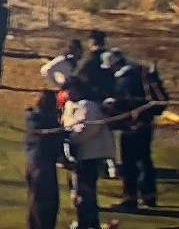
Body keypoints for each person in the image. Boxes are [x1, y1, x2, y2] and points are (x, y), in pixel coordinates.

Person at [108, 50, 161, 210]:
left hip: (131, 127)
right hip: (146, 125)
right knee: (145, 160)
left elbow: (124, 104)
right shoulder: (142, 75)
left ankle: (130, 199)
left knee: (129, 164)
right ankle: (149, 197)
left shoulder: (123, 81)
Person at [62, 81, 116, 229]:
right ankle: (90, 223)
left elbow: (89, 128)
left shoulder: (87, 105)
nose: (68, 93)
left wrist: (71, 138)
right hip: (78, 155)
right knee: (80, 190)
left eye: (71, 90)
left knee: (85, 191)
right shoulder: (70, 105)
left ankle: (86, 223)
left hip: (89, 155)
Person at [25, 90, 64, 229]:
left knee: (37, 200)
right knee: (46, 201)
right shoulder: (44, 120)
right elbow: (53, 139)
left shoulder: (34, 117)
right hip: (42, 165)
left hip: (35, 163)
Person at [74, 30, 114, 100]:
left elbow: (77, 74)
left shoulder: (90, 58)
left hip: (90, 96)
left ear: (91, 42)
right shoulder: (107, 57)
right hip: (106, 94)